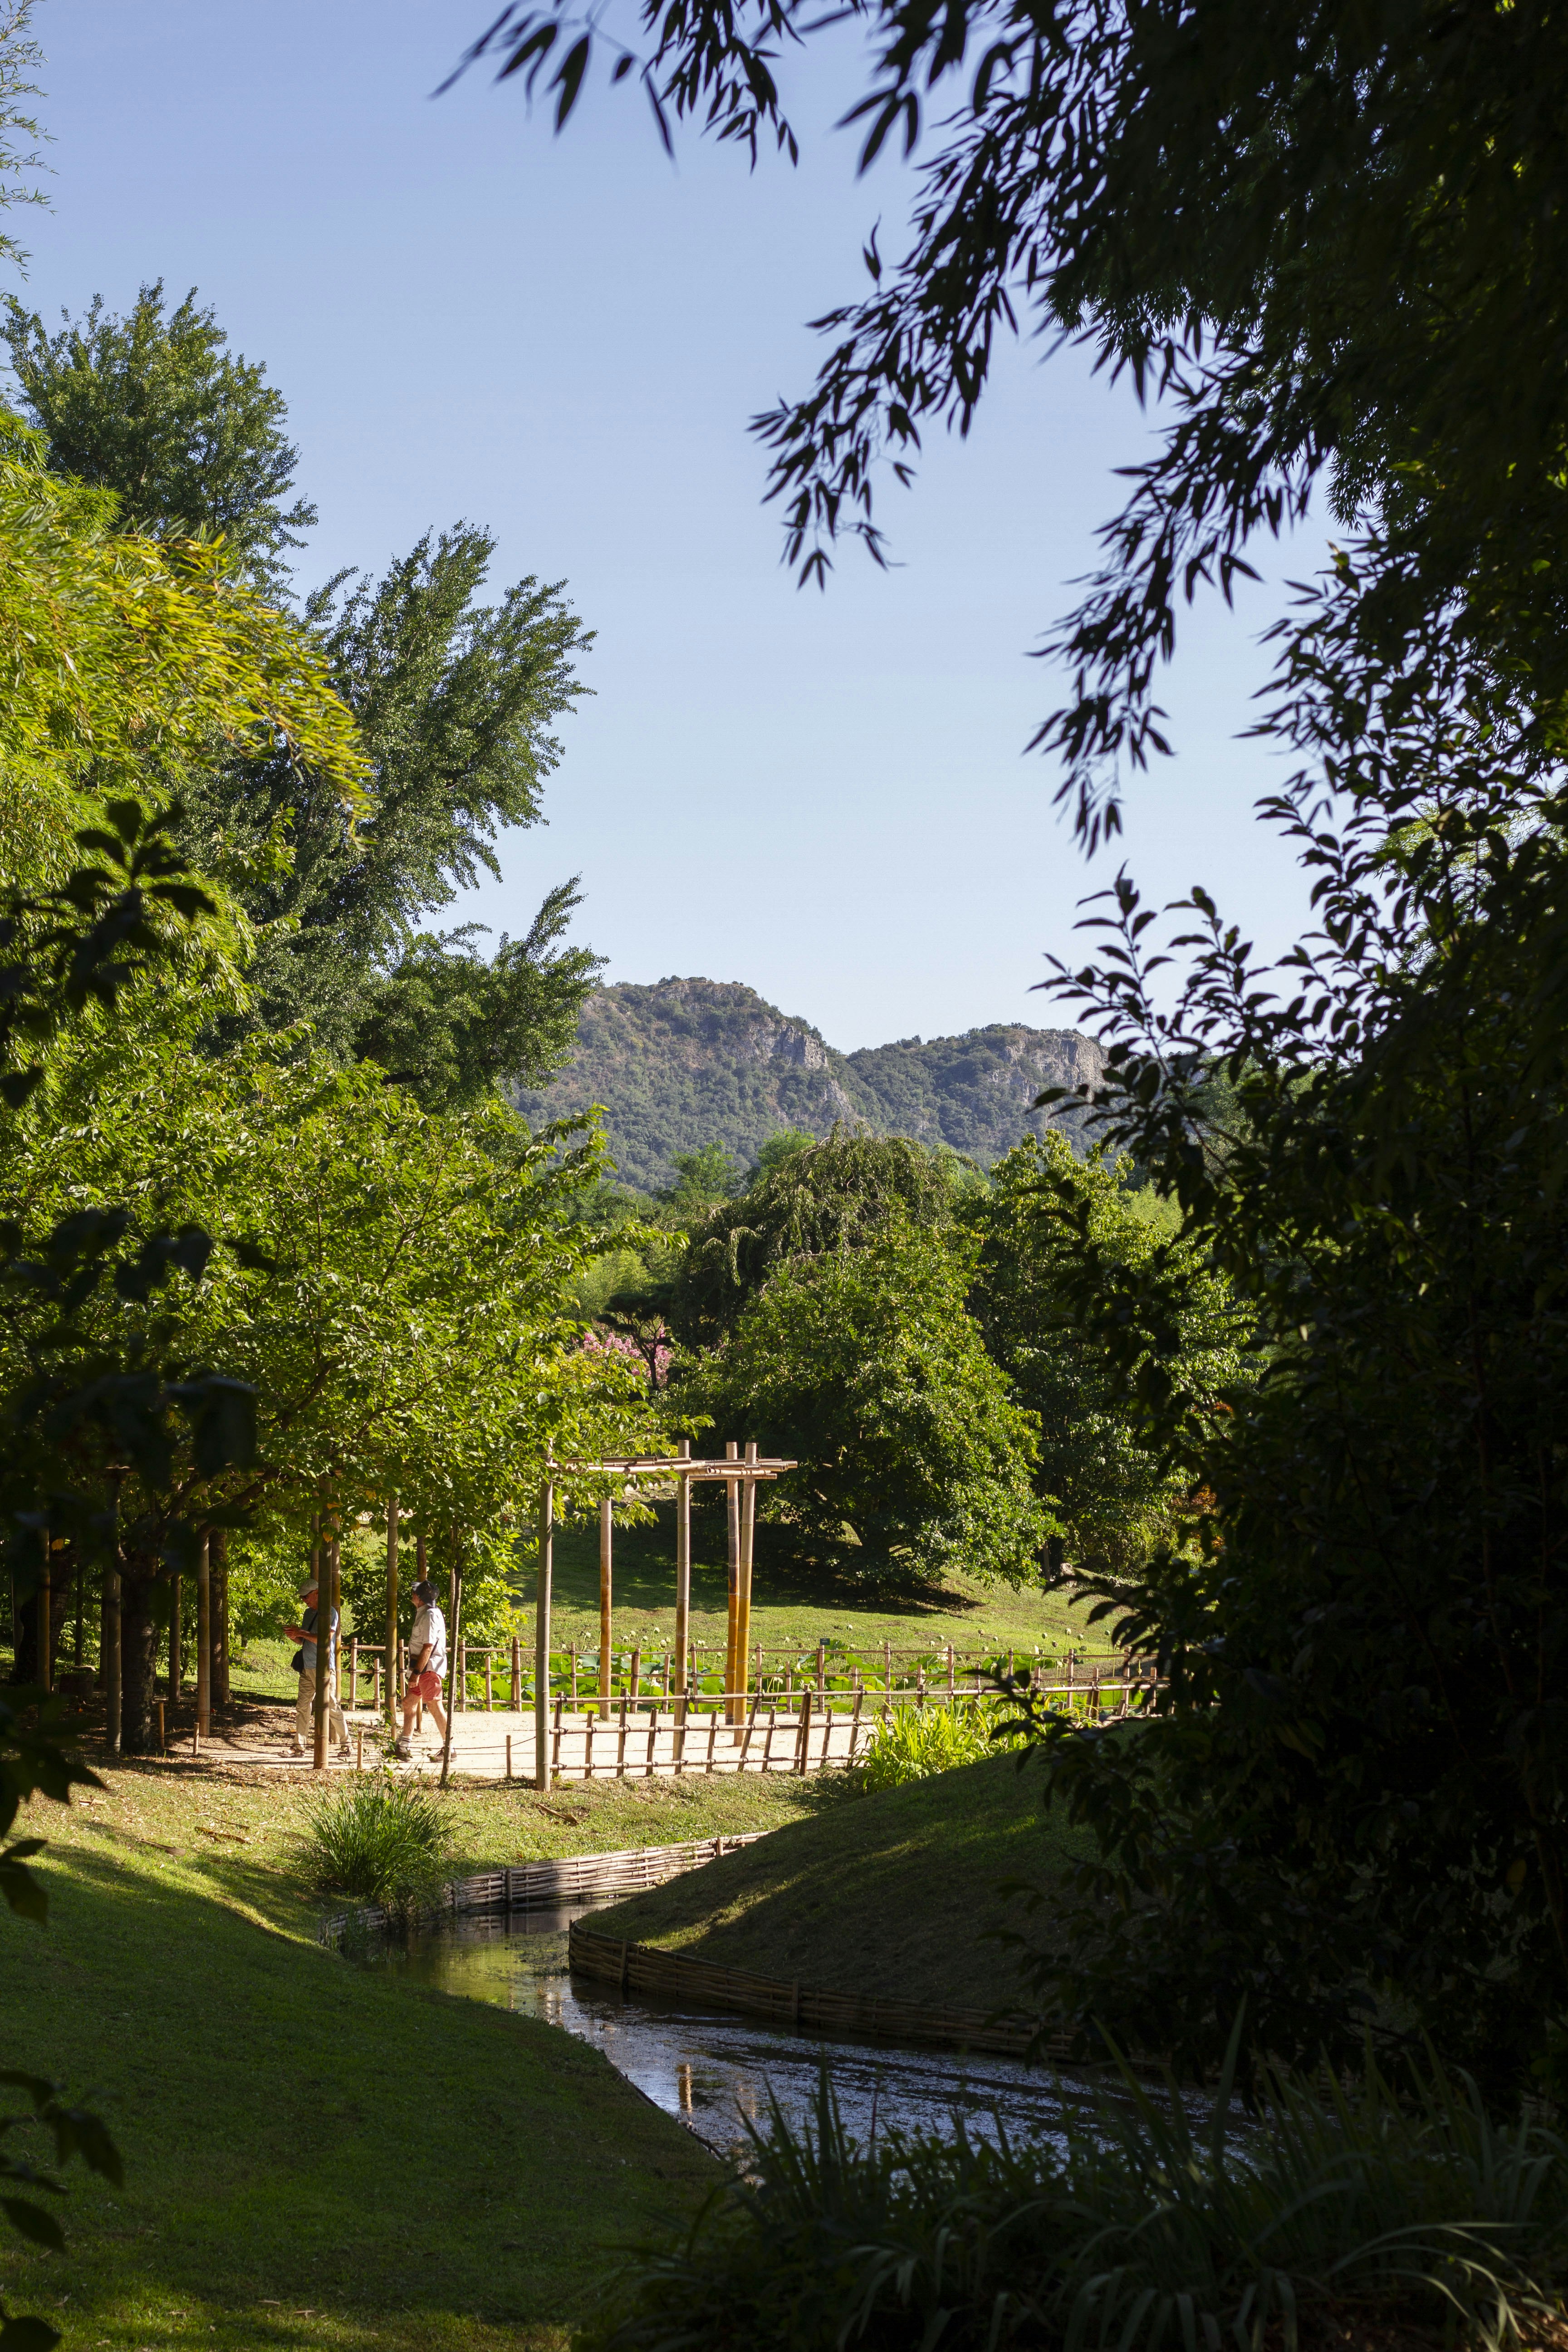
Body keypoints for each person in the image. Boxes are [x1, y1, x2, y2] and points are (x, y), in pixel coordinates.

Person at [284, 1576, 350, 1759]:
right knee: (302, 1707)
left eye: (306, 1596)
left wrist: (301, 1633)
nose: (304, 1600)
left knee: (331, 1707)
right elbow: (304, 1640)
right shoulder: (308, 1614)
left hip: (324, 1669)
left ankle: (347, 1744)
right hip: (307, 1667)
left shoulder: (331, 1613)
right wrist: (294, 1636)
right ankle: (299, 1747)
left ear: (317, 1594)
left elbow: (324, 1639)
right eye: (302, 1598)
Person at [395, 1578, 448, 1759]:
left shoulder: (430, 1615)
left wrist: (416, 1674)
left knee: (434, 1705)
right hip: (423, 1668)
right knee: (409, 1704)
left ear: (419, 1597)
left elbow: (428, 1646)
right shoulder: (426, 1612)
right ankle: (403, 1746)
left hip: (428, 1668)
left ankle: (450, 1748)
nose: (412, 1595)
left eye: (414, 1593)